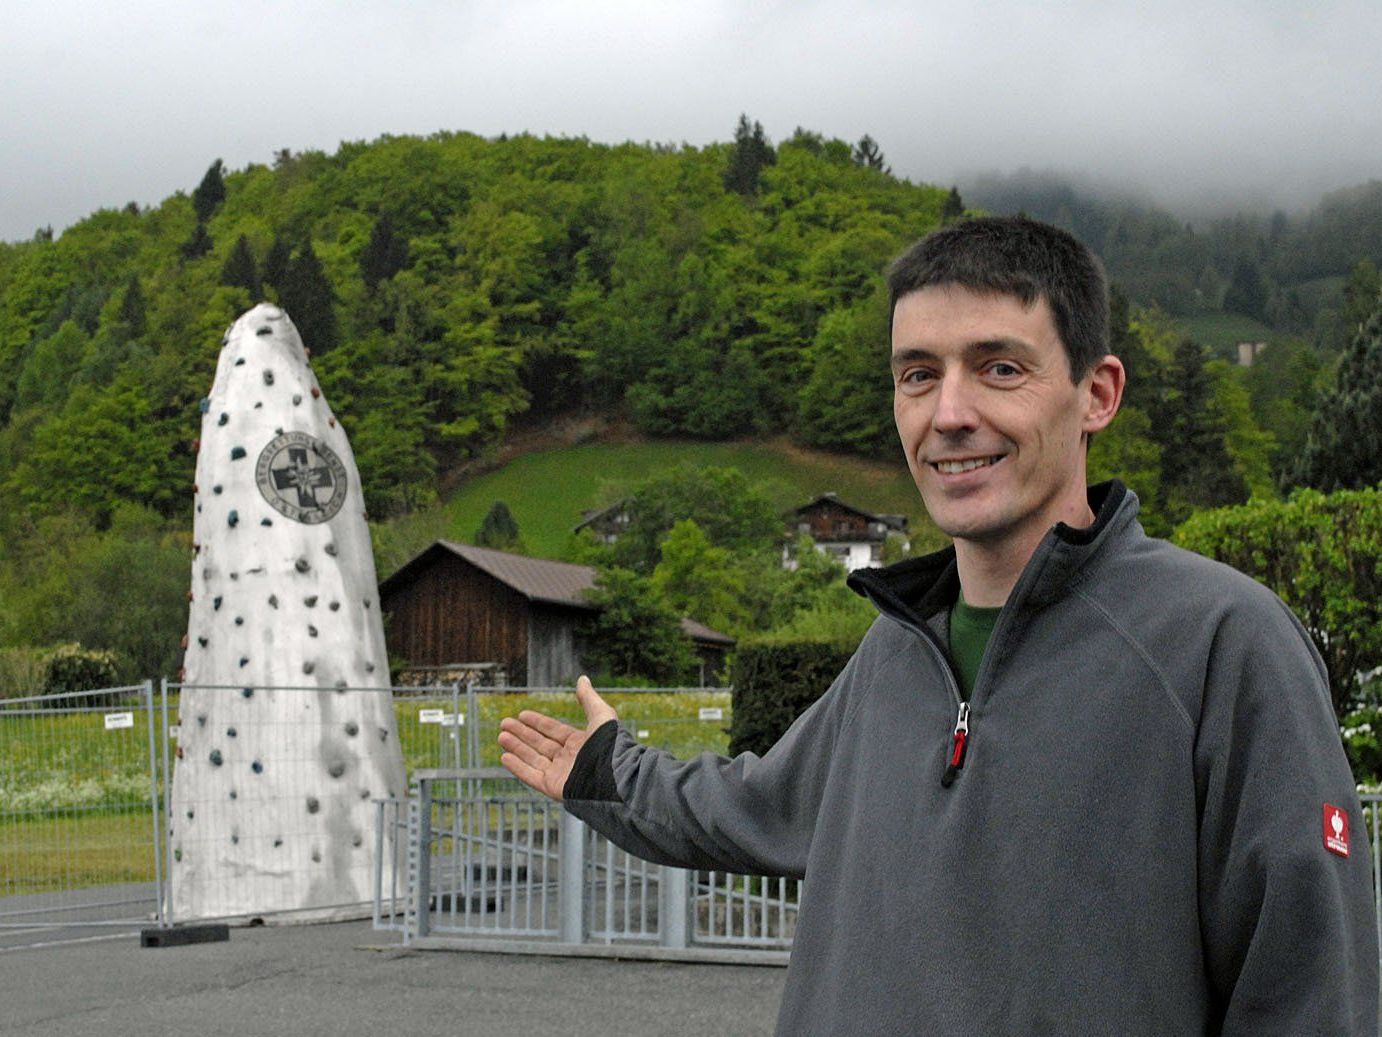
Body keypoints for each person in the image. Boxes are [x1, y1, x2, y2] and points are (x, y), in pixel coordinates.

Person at [498, 216, 1378, 1035]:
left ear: (1096, 393)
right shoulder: (898, 650)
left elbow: (1310, 989)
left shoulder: (1223, 643)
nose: (948, 413)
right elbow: (757, 805)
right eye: (918, 374)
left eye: (999, 368)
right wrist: (612, 773)